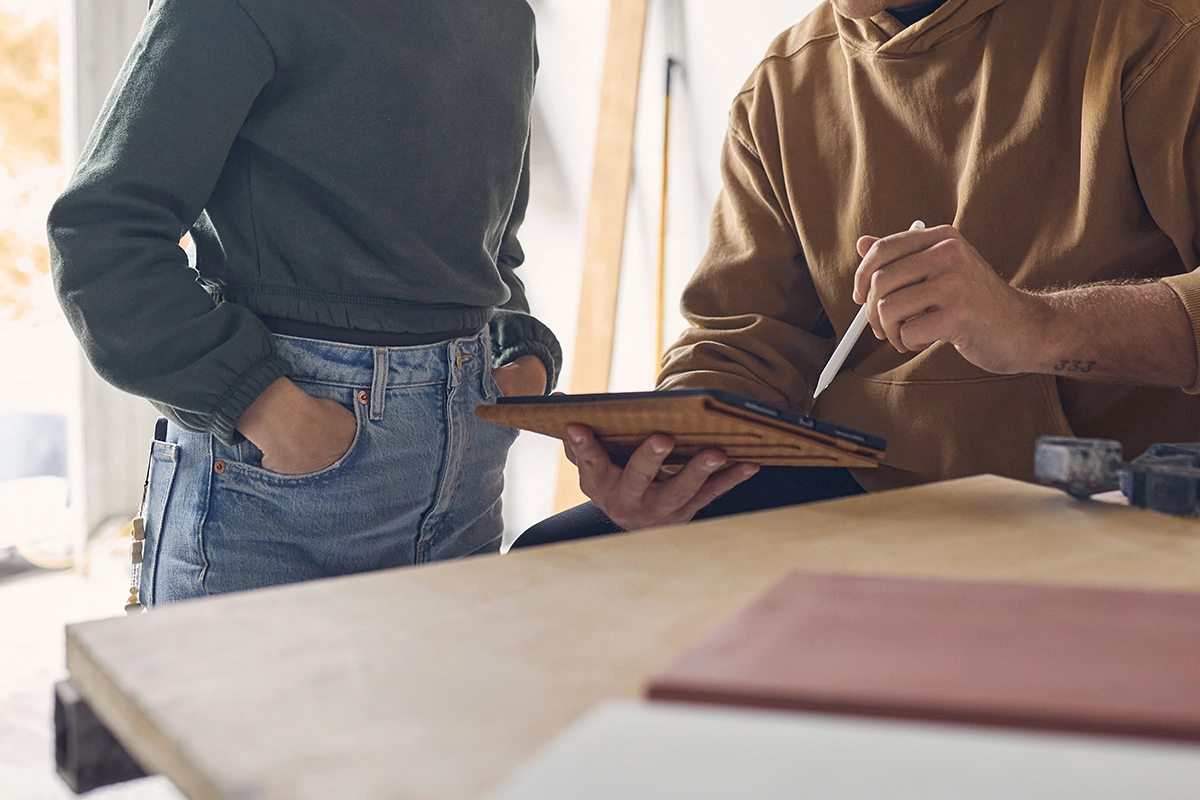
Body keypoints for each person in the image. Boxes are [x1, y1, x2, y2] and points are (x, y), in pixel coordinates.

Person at [517, 0, 1200, 545]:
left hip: (1110, 495)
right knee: (559, 559)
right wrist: (668, 462)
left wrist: (1037, 325)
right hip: (871, 485)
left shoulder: (1156, 31)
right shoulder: (782, 86)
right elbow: (741, 342)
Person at [47, 0, 561, 603]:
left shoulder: (505, 18)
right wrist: (267, 410)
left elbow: (492, 248)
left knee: (441, 698)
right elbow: (101, 235)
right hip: (284, 463)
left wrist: (520, 352)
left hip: (467, 472)